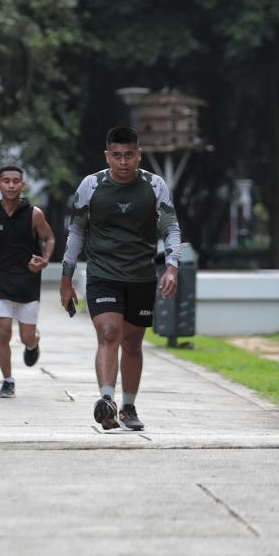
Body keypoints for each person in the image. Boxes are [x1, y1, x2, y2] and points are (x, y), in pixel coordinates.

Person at [60, 126, 180, 432]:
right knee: (109, 334)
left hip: (140, 275)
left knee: (132, 343)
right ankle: (106, 400)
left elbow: (170, 228)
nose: (123, 162)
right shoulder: (91, 185)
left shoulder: (154, 186)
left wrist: (172, 266)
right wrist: (66, 276)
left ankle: (128, 406)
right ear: (107, 156)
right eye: (117, 156)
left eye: (129, 155)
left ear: (139, 154)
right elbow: (76, 231)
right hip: (102, 273)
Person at [0, 167, 55, 398]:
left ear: (22, 185)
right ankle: (7, 380)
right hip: (1, 280)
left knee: (25, 336)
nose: (10, 185)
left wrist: (45, 260)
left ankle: (33, 343)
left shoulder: (34, 214)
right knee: (3, 331)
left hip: (28, 281)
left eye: (15, 181)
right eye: (6, 181)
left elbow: (49, 237)